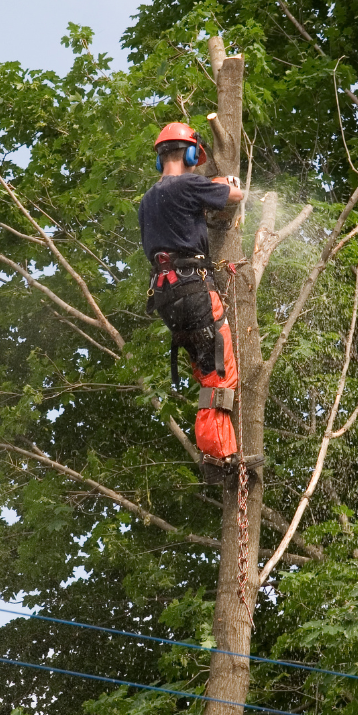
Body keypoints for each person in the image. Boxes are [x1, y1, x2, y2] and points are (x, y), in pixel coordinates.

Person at [139, 122, 245, 483]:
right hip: (195, 289)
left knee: (206, 371)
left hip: (167, 299)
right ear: (188, 154)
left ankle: (217, 451)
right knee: (221, 371)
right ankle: (220, 458)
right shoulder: (188, 184)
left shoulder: (147, 201)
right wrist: (227, 184)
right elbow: (234, 197)